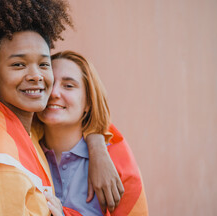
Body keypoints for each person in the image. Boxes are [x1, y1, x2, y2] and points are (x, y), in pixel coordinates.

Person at [0, 0, 122, 215]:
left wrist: (97, 146)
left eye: (43, 64)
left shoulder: (30, 133)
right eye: (19, 64)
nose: (36, 76)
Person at [35, 51, 149, 215]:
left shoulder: (116, 166)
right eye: (49, 83)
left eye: (68, 86)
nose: (54, 93)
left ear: (88, 102)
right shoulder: (22, 149)